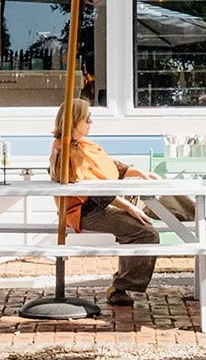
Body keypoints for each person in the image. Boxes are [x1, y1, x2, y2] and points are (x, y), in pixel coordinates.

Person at [50, 98, 167, 306]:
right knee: (146, 233)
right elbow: (93, 189)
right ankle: (121, 286)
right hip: (87, 211)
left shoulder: (86, 145)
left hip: (108, 199)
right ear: (74, 121)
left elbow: (110, 167)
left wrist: (138, 172)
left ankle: (195, 212)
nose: (91, 123)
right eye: (87, 119)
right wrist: (129, 207)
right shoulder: (65, 150)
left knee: (157, 192)